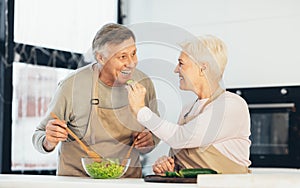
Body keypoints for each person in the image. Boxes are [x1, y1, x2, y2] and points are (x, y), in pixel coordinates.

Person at [32, 23, 160, 178]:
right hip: (78, 181)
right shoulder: (72, 86)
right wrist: (49, 141)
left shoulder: (143, 82)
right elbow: (39, 134)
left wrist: (149, 140)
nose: (131, 63)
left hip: (128, 182)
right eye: (122, 57)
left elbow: (155, 131)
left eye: (133, 53)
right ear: (101, 58)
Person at [127, 35, 251, 174]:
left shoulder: (230, 105)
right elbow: (182, 153)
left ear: (203, 68)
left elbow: (180, 138)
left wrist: (141, 111)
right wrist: (168, 165)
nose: (176, 69)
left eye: (181, 63)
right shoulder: (188, 110)